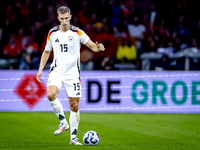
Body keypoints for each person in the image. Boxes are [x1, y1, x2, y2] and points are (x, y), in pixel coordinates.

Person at [36, 6, 105, 145]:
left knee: (74, 106)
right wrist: (40, 69)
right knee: (50, 94)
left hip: (73, 74)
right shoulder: (52, 33)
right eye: (62, 19)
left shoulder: (78, 32)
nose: (65, 22)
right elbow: (46, 51)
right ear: (58, 18)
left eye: (67, 18)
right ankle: (63, 122)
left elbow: (92, 46)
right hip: (57, 71)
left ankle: (73, 139)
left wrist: (99, 47)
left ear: (70, 16)